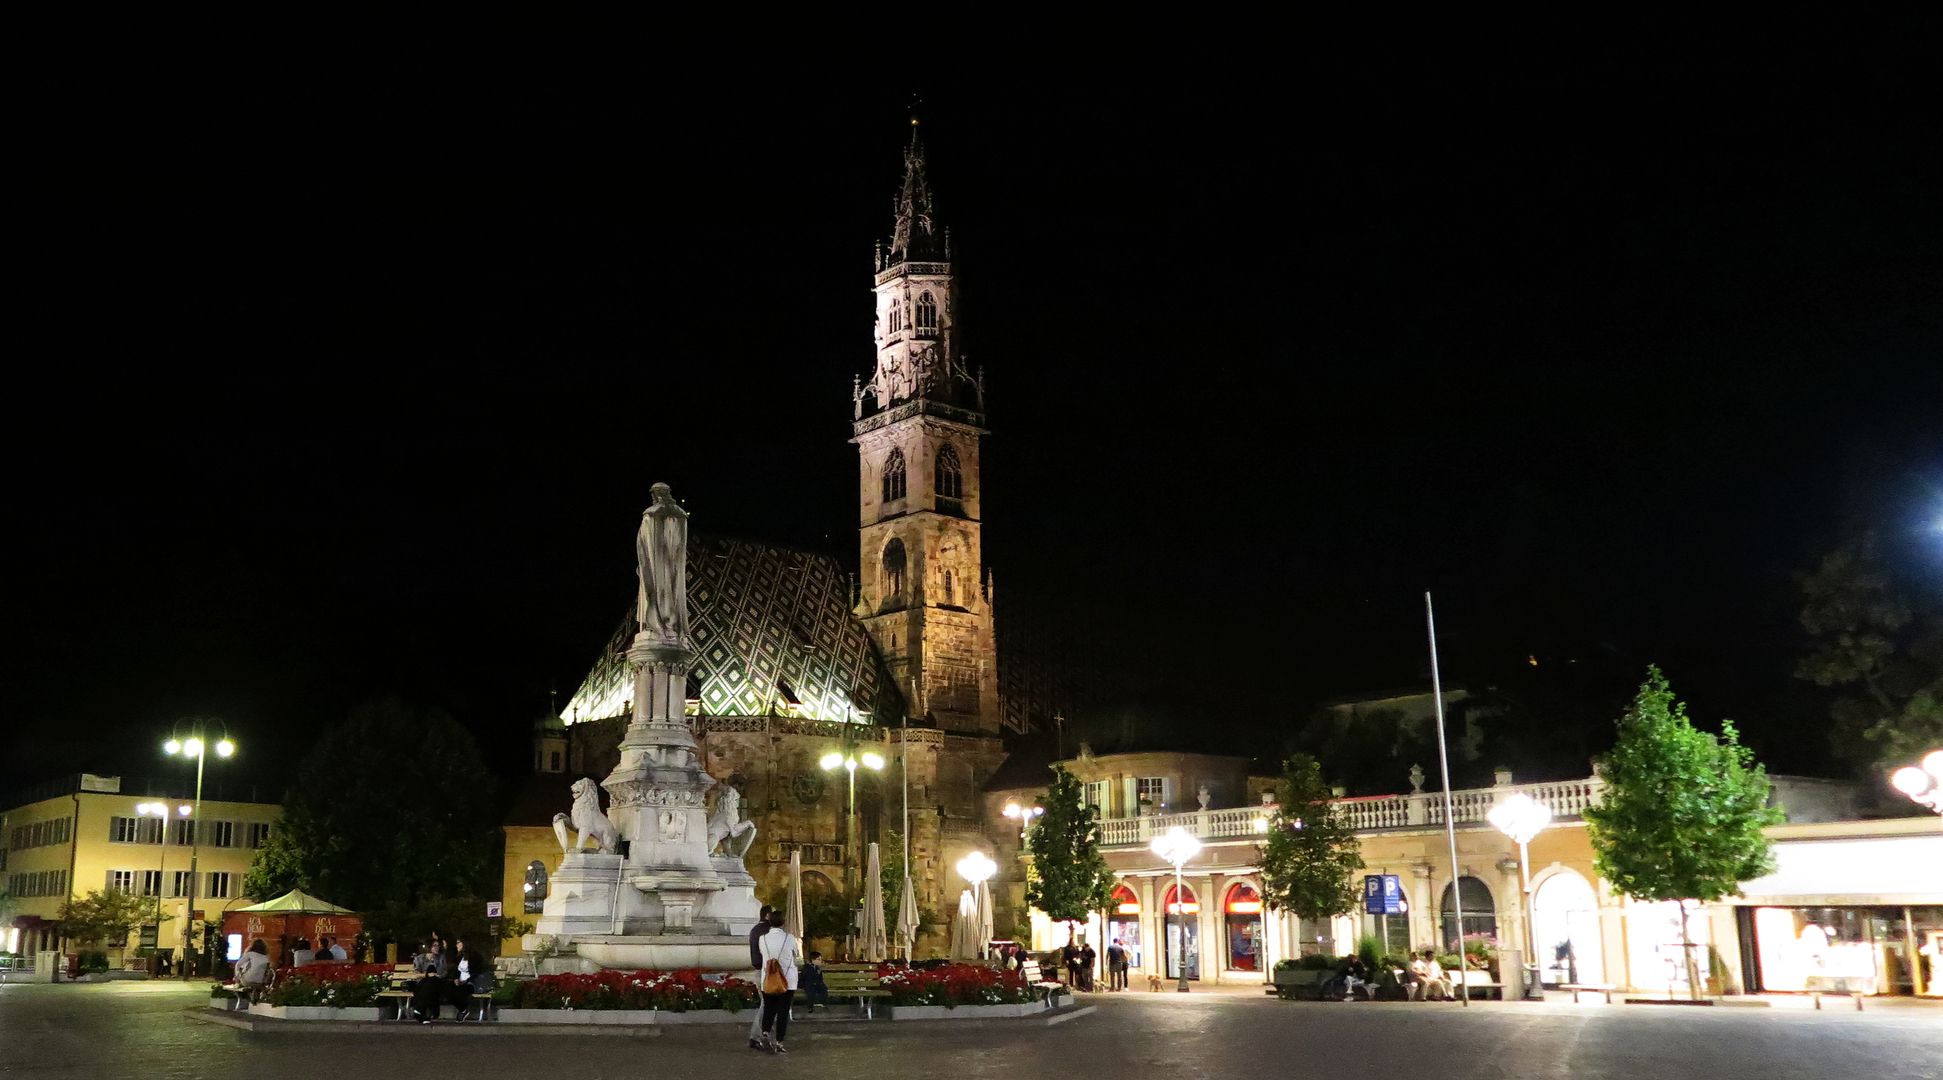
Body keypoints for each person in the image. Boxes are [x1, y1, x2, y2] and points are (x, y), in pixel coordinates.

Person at [755, 909, 800, 1054]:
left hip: (768, 979)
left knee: (769, 1008)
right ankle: (779, 1041)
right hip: (787, 980)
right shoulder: (790, 938)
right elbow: (797, 956)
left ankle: (765, 1034)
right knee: (783, 1012)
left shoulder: (762, 939)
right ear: (783, 923)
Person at [446, 937, 495, 1021]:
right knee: (447, 989)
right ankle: (463, 1010)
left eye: (458, 942)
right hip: (460, 982)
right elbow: (456, 971)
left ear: (464, 944)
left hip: (472, 983)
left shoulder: (475, 957)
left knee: (461, 990)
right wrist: (456, 979)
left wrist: (465, 981)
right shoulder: (460, 957)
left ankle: (462, 1010)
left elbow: (477, 973)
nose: (456, 945)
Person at [748, 905, 774, 1050]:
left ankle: (763, 1034)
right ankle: (757, 1036)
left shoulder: (754, 930)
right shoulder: (766, 931)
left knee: (767, 1004)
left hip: (759, 970)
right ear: (767, 915)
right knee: (767, 1005)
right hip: (767, 971)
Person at [412, 939, 451, 1023]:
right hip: (423, 984)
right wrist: (427, 975)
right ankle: (422, 1013)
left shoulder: (441, 957)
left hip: (438, 984)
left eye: (438, 946)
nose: (437, 948)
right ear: (429, 947)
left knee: (432, 978)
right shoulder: (419, 958)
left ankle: (419, 1009)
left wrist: (436, 973)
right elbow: (416, 975)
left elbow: (444, 972)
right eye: (435, 946)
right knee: (429, 980)